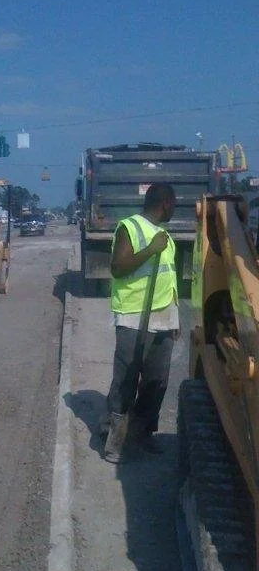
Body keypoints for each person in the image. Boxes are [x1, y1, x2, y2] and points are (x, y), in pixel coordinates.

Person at [102, 182, 179, 462]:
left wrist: (174, 317)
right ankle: (115, 441)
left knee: (156, 381)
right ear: (166, 203)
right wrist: (149, 249)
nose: (175, 209)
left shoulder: (163, 234)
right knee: (126, 380)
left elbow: (167, 277)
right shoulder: (129, 227)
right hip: (134, 318)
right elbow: (118, 268)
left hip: (163, 317)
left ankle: (143, 433)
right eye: (174, 204)